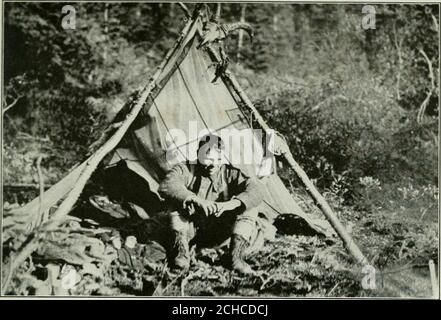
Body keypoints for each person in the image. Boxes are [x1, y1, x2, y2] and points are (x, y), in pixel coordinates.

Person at [158, 133, 265, 274]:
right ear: (197, 155)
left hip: (223, 232)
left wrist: (230, 204)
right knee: (175, 204)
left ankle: (236, 258)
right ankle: (182, 255)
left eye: (218, 159)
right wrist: (194, 199)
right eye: (206, 159)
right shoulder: (186, 169)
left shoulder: (230, 173)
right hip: (193, 232)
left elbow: (256, 190)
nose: (211, 164)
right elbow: (167, 185)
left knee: (249, 207)